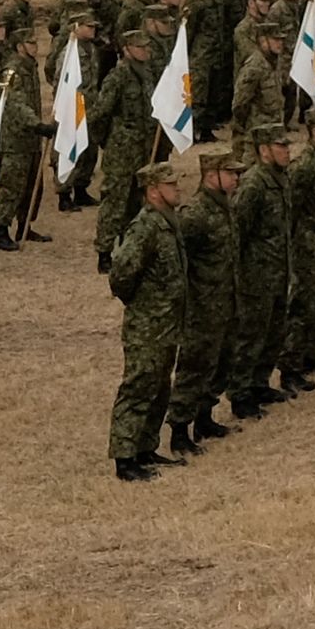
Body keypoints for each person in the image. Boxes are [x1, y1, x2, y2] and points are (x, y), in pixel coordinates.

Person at [105, 162, 185, 479]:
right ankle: (125, 459)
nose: (177, 188)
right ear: (153, 191)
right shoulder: (145, 227)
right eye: (171, 184)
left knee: (160, 387)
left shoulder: (168, 222)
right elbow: (121, 273)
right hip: (147, 325)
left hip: (167, 323)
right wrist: (139, 303)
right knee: (139, 387)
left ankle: (146, 447)